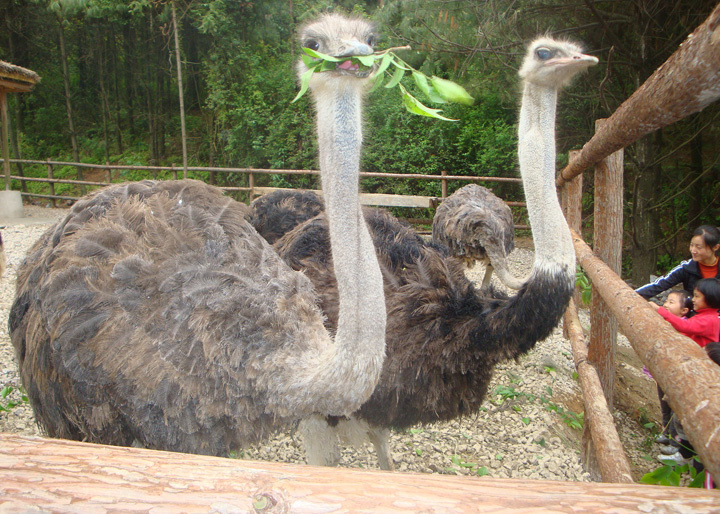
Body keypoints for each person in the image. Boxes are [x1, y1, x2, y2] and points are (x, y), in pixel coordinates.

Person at [648, 279, 720, 470]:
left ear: (710, 298)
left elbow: (686, 328)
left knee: (687, 413)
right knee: (678, 410)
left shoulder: (710, 319)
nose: (693, 299)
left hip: (701, 375)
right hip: (692, 370)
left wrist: (660, 311)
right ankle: (679, 446)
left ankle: (687, 453)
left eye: (697, 296)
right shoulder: (701, 316)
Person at [643, 290, 693, 445]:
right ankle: (665, 432)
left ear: (684, 310)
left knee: (674, 406)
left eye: (672, 302)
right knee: (664, 404)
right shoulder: (663, 320)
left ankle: (675, 440)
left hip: (675, 373)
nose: (665, 304)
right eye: (666, 301)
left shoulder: (686, 326)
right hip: (662, 370)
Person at [636, 225, 720, 300]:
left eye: (699, 247)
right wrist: (631, 296)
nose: (693, 250)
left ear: (716, 247)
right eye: (691, 245)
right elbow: (659, 285)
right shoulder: (687, 268)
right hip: (694, 315)